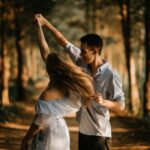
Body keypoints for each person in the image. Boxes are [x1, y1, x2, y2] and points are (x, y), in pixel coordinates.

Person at [34, 14, 125, 150]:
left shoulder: (111, 75)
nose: (80, 54)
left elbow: (121, 106)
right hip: (83, 132)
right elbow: (63, 42)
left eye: (83, 51)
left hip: (99, 134)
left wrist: (103, 102)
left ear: (94, 51)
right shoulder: (82, 61)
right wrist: (45, 23)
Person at [20, 15, 94, 150]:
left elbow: (38, 124)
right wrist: (39, 29)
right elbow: (45, 51)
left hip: (50, 137)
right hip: (62, 133)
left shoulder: (48, 95)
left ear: (49, 69)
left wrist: (25, 140)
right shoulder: (69, 86)